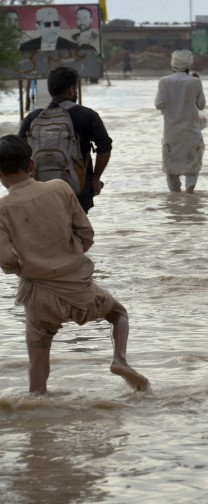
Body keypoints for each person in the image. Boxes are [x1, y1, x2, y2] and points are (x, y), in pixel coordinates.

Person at [0, 135, 149, 394]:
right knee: (118, 314)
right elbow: (86, 234)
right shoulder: (59, 188)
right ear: (32, 165)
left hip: (38, 295)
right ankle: (119, 360)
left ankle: (39, 418)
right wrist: (69, 259)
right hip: (79, 289)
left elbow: (7, 261)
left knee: (37, 366)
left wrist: (29, 268)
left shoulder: (3, 208)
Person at [19, 66, 112, 214]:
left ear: (50, 90)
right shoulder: (88, 115)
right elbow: (105, 147)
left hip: (40, 189)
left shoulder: (33, 117)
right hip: (79, 189)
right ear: (71, 90)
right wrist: (95, 179)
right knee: (78, 232)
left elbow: (19, 150)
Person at [155, 50, 206, 193]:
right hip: (192, 132)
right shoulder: (195, 82)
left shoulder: (164, 82)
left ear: (173, 65)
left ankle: (175, 199)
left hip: (171, 133)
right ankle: (190, 194)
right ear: (189, 65)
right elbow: (201, 105)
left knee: (171, 169)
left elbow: (158, 104)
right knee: (192, 167)